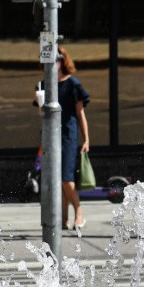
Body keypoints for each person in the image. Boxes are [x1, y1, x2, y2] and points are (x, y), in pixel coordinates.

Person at [56, 47, 91, 230]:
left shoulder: (73, 84)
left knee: (66, 178)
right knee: (57, 180)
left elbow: (80, 113)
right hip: (50, 137)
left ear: (61, 61)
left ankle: (79, 211)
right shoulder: (45, 84)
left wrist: (86, 139)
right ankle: (63, 219)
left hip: (68, 135)